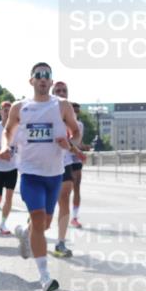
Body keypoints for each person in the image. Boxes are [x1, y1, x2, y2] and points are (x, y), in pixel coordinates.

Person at [0, 62, 79, 291]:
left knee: (44, 224)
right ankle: (44, 277)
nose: (43, 78)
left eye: (47, 75)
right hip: (30, 172)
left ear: (51, 82)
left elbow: (76, 132)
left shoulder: (62, 105)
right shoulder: (20, 107)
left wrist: (70, 143)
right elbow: (7, 131)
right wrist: (5, 147)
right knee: (37, 218)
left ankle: (25, 233)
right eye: (38, 75)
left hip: (54, 174)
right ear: (31, 80)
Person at [51, 81, 85, 257]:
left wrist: (73, 147)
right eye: (58, 90)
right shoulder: (43, 111)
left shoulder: (74, 120)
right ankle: (31, 229)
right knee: (44, 210)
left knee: (64, 197)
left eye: (64, 90)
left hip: (64, 163)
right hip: (42, 164)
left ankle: (60, 243)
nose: (61, 92)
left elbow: (76, 138)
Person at [0, 101, 18, 234]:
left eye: (9, 110)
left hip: (12, 167)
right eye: (4, 110)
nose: (7, 112)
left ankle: (3, 224)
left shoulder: (18, 128)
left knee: (9, 197)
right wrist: (0, 154)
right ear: (0, 112)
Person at [70, 102, 90, 228]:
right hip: (63, 159)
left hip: (75, 159)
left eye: (77, 111)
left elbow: (79, 143)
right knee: (62, 189)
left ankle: (74, 217)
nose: (75, 113)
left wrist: (84, 147)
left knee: (76, 187)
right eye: (74, 110)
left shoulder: (80, 125)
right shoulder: (61, 122)